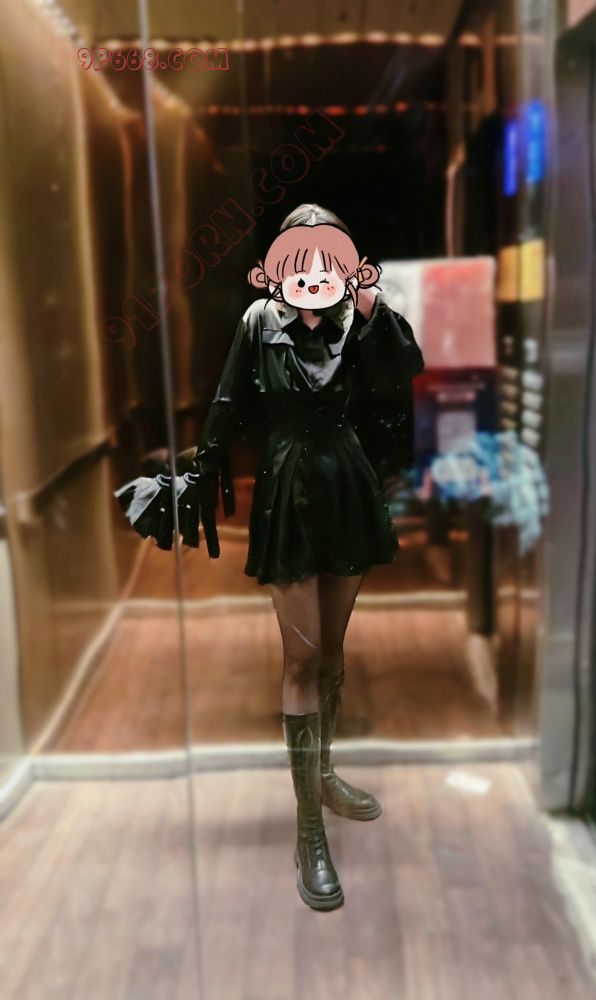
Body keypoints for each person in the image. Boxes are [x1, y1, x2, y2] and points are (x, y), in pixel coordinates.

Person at [114, 203, 425, 911]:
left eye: (327, 262)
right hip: (288, 484)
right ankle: (308, 830)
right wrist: (198, 475)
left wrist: (372, 308)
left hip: (346, 480)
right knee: (301, 661)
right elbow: (227, 401)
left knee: (334, 655)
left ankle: (324, 775)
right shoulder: (260, 321)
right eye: (300, 261)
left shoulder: (357, 318)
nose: (313, 274)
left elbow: (402, 370)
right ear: (279, 269)